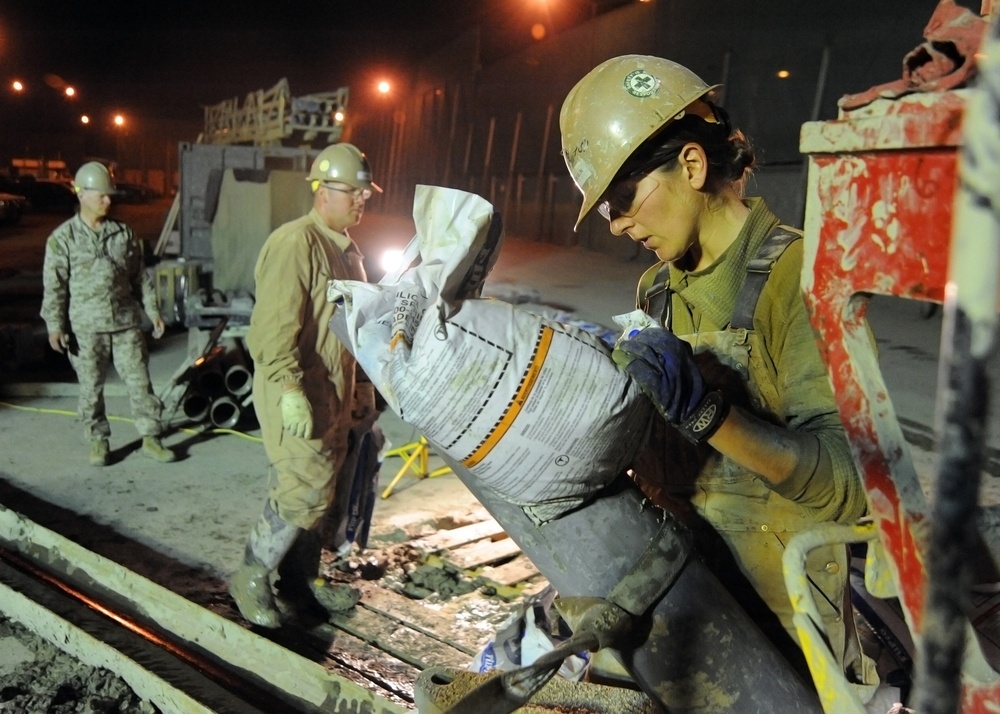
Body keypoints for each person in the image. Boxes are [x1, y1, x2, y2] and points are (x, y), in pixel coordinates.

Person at [560, 55, 878, 692]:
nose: (619, 223)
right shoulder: (658, 293)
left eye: (622, 199)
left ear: (693, 166)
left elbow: (852, 486)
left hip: (793, 629)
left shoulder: (801, 278)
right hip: (692, 606)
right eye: (605, 213)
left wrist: (712, 418)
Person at [229, 143, 381, 628]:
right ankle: (251, 577)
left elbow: (353, 332)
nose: (361, 200)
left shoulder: (349, 252)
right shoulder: (295, 244)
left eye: (365, 193)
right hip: (297, 393)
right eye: (352, 192)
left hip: (333, 394)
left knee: (327, 490)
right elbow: (272, 330)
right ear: (322, 191)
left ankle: (299, 580)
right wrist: (290, 390)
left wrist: (361, 394)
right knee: (300, 490)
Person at [40, 161, 176, 466]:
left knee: (140, 382)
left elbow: (139, 276)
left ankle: (152, 437)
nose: (108, 200)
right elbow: (55, 286)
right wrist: (55, 325)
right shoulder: (63, 239)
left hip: (125, 323)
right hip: (86, 328)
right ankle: (99, 441)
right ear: (81, 193)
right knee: (91, 389)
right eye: (101, 195)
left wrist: (152, 310)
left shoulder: (123, 233)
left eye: (109, 195)